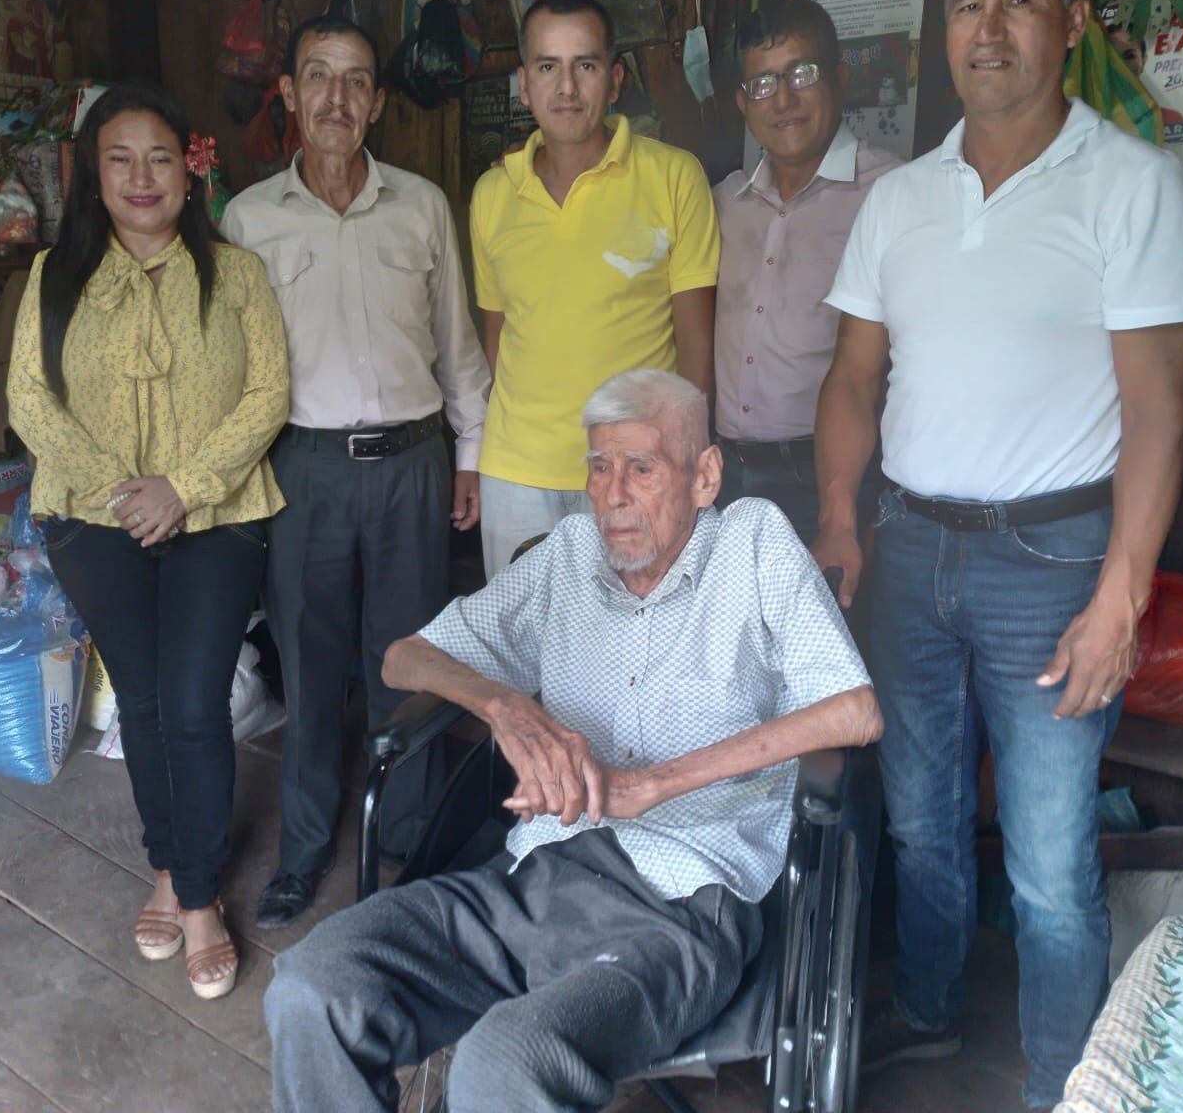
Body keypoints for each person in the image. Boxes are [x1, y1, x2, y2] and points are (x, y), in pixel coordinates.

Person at [811, 0, 1183, 1105]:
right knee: (920, 824)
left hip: (1054, 559)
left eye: (1018, 0)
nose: (987, 29)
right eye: (967, 4)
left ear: (1073, 20)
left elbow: (1159, 411)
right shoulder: (900, 200)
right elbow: (852, 378)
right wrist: (839, 517)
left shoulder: (1132, 187)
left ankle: (1061, 1081)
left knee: (1044, 858)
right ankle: (931, 1012)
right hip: (908, 548)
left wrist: (1118, 600)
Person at [265, 368, 880, 1113]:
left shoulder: (752, 544)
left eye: (642, 468)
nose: (613, 494)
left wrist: (650, 785)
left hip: (681, 906)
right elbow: (405, 658)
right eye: (599, 466)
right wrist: (504, 706)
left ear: (704, 476)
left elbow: (854, 710)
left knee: (504, 1061)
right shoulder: (568, 555)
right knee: (313, 985)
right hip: (532, 879)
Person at [7, 81, 290, 1000]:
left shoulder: (236, 274)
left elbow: (268, 395)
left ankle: (199, 896)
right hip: (95, 522)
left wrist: (184, 488)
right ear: (93, 176)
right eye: (120, 159)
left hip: (217, 517)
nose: (141, 177)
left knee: (195, 704)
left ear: (190, 170)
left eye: (160, 158)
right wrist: (122, 493)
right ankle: (166, 867)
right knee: (142, 703)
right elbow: (28, 400)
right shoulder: (54, 275)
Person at [222, 14, 492, 928]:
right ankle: (304, 853)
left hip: (414, 462)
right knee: (307, 664)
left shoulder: (420, 206)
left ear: (376, 102)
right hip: (302, 468)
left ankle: (407, 843)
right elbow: (237, 366)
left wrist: (470, 456)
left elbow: (458, 343)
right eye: (318, 77)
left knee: (408, 661)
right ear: (289, 94)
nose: (336, 97)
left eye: (356, 80)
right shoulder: (249, 218)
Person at [470, 0, 720, 576]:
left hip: (637, 470)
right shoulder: (492, 195)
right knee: (520, 633)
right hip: (516, 475)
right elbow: (497, 338)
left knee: (638, 631)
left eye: (584, 65)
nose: (566, 87)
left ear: (614, 80)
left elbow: (696, 346)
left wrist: (683, 464)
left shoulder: (673, 177)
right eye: (546, 66)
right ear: (524, 84)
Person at [713, 0, 901, 542]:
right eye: (763, 84)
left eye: (802, 74)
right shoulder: (721, 203)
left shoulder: (892, 192)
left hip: (829, 477)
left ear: (839, 79)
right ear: (742, 103)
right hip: (723, 473)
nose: (784, 100)